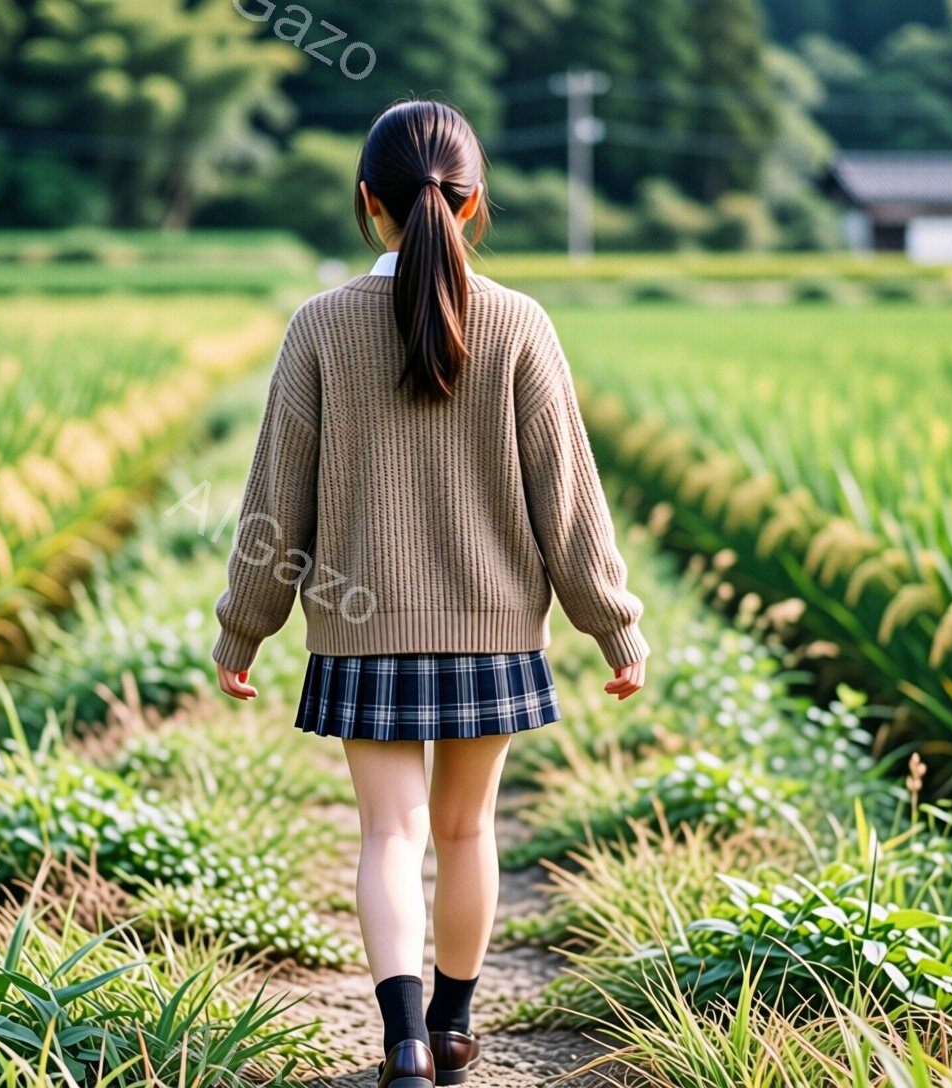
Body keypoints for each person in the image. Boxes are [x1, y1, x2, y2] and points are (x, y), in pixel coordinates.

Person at [209, 99, 648, 1088]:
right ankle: (453, 1029)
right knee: (465, 831)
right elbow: (568, 498)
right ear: (473, 202)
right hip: (494, 635)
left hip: (360, 634)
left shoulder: (320, 325)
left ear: (368, 201)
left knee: (391, 834)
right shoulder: (521, 323)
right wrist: (613, 625)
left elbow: (274, 502)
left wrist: (244, 628)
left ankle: (402, 1042)